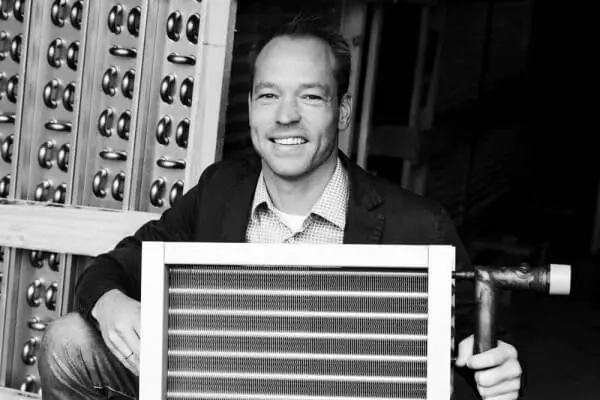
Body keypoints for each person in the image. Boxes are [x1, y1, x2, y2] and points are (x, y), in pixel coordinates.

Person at [38, 15, 522, 400]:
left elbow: (476, 354)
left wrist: (494, 373)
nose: (285, 115)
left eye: (310, 96)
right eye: (269, 95)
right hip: (220, 391)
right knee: (67, 342)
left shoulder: (418, 225)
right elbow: (113, 265)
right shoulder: (221, 191)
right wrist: (110, 304)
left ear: (343, 110)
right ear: (250, 106)